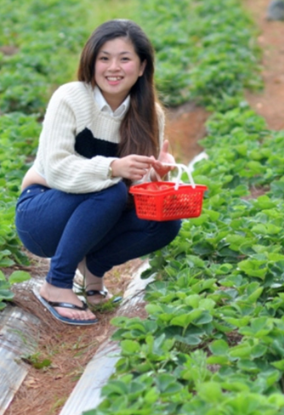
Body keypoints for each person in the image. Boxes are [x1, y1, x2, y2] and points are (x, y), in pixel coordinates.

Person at [15, 19, 181, 326]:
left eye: (125, 58)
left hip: (98, 216)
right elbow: (56, 168)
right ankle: (57, 283)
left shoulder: (150, 114)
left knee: (166, 220)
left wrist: (158, 174)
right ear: (91, 63)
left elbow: (137, 189)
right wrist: (113, 167)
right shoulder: (71, 98)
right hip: (43, 214)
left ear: (142, 67)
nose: (113, 67)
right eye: (104, 58)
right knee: (111, 188)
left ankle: (93, 268)